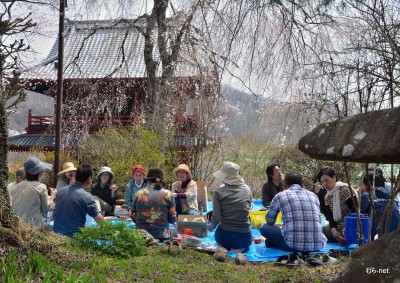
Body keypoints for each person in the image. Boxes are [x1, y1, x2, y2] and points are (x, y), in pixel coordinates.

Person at [260, 172, 327, 251]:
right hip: (317, 245)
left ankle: (274, 242)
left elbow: (269, 221)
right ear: (302, 185)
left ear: (284, 185)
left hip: (292, 245)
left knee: (264, 227)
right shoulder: (313, 195)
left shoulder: (280, 196)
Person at [207, 161, 252, 252]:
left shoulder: (218, 192)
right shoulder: (247, 190)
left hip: (225, 236)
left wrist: (211, 227)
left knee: (221, 231)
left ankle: (223, 248)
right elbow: (249, 208)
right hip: (245, 238)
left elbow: (216, 216)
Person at [53, 164, 104, 237]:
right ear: (90, 179)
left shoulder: (60, 191)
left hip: (56, 236)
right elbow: (98, 218)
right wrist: (111, 229)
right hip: (74, 239)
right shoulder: (87, 197)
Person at [132, 168, 176, 241]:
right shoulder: (168, 194)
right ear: (161, 182)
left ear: (148, 180)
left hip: (142, 236)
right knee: (175, 233)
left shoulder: (139, 194)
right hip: (162, 236)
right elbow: (172, 219)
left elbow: (134, 217)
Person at [10, 157, 56, 226]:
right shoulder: (41, 187)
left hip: (17, 226)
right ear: (39, 172)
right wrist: (52, 196)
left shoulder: (16, 187)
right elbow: (45, 211)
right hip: (33, 227)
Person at [317, 166, 358, 243]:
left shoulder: (345, 191)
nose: (325, 184)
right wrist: (334, 232)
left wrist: (348, 228)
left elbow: (355, 211)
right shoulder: (327, 197)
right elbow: (330, 217)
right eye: (322, 182)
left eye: (326, 180)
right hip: (338, 228)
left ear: (334, 178)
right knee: (322, 230)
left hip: (351, 226)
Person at [360, 171, 400, 240]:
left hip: (376, 239)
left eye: (362, 184)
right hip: (394, 237)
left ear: (367, 184)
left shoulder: (367, 195)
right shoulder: (391, 195)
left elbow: (360, 218)